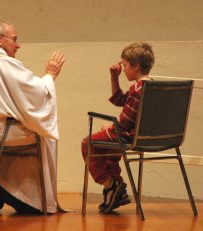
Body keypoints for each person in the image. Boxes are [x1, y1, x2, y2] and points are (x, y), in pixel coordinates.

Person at [0, 21, 65, 214]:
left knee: (29, 125)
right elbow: (35, 94)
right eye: (14, 39)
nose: (18, 45)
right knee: (43, 133)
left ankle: (0, 185)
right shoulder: (1, 63)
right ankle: (27, 200)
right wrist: (50, 76)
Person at [81, 42, 155, 214]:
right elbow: (119, 100)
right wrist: (114, 77)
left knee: (88, 144)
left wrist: (111, 125)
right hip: (144, 136)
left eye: (125, 65)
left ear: (136, 66)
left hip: (130, 136)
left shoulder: (139, 88)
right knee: (105, 144)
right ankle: (115, 189)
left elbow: (124, 122)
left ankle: (110, 184)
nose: (124, 69)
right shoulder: (151, 86)